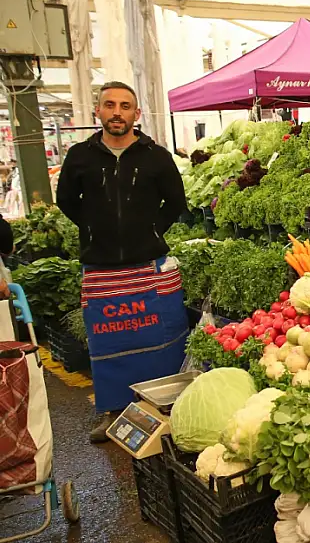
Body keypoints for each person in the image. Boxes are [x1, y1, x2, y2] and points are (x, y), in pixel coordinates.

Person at [55, 81, 189, 444]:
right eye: (110, 105)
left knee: (157, 337)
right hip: (100, 266)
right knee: (107, 343)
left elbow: (176, 202)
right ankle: (112, 410)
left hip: (147, 264)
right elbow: (65, 200)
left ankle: (165, 406)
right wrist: (93, 228)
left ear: (136, 114)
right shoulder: (80, 156)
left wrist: (150, 230)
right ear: (97, 111)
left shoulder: (155, 156)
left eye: (125, 106)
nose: (117, 112)